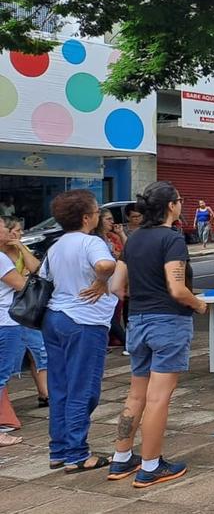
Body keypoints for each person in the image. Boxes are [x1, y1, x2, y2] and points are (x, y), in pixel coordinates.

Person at [108, 183, 206, 487]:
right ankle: (151, 465)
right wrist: (198, 304)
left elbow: (115, 287)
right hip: (168, 323)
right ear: (171, 207)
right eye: (179, 201)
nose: (180, 204)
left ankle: (121, 458)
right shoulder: (172, 239)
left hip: (136, 321)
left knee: (137, 394)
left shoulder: (133, 240)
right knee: (159, 398)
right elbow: (177, 289)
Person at [42, 190, 117, 472]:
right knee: (83, 389)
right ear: (86, 217)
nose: (99, 216)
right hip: (84, 321)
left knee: (59, 387)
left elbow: (45, 276)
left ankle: (58, 450)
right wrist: (101, 281)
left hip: (54, 318)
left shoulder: (56, 245)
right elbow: (106, 264)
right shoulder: (90, 242)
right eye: (97, 212)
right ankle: (77, 454)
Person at [3, 220, 49, 408]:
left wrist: (21, 247)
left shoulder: (19, 250)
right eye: (14, 230)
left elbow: (38, 270)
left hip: (25, 310)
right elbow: (22, 283)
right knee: (7, 365)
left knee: (39, 350)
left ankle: (45, 394)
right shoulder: (1, 257)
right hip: (10, 312)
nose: (18, 234)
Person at [0, 217, 27, 446]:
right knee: (1, 375)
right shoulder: (0, 259)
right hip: (5, 322)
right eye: (2, 227)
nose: (6, 231)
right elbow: (22, 285)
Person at [95, 209, 127, 350]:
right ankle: (125, 341)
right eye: (108, 219)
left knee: (115, 312)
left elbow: (128, 251)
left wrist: (120, 234)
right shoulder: (94, 240)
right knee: (108, 315)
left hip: (115, 280)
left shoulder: (112, 237)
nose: (111, 222)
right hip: (102, 283)